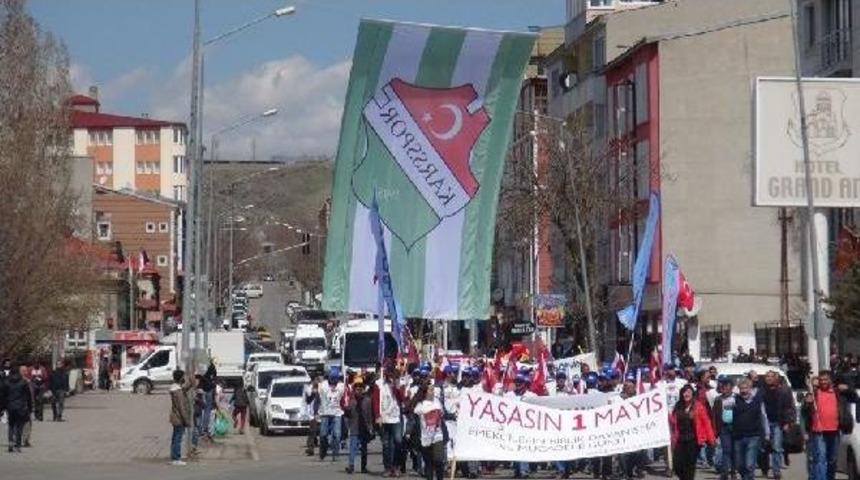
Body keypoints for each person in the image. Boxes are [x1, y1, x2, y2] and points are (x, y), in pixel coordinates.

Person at [803, 370, 859, 480]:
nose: (823, 382)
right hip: (818, 431)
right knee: (821, 459)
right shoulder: (814, 393)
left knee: (832, 459)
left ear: (830, 380)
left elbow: (855, 398)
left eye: (825, 379)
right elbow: (805, 411)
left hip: (834, 431)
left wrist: (848, 389)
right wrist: (807, 402)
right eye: (821, 380)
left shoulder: (838, 393)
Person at [669, 384, 715, 480]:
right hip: (679, 439)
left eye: (689, 392)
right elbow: (673, 421)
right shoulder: (678, 405)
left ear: (692, 394)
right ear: (681, 394)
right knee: (677, 465)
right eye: (685, 392)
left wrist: (711, 439)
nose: (686, 394)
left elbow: (706, 422)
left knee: (689, 465)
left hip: (693, 440)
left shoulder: (698, 406)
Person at [731, 379, 769, 480]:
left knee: (749, 464)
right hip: (738, 436)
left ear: (750, 389)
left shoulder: (757, 401)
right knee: (739, 465)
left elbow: (764, 417)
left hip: (753, 436)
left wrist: (767, 433)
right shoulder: (735, 400)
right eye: (741, 388)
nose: (743, 391)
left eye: (746, 388)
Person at [761, 370, 796, 480]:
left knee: (776, 447)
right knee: (763, 448)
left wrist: (787, 422)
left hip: (778, 422)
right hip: (764, 422)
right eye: (767, 376)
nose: (769, 378)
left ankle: (776, 471)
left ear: (776, 378)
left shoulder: (784, 390)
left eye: (771, 376)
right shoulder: (761, 391)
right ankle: (765, 468)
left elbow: (789, 407)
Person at [411, 375, 447, 480]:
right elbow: (411, 409)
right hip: (425, 437)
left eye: (433, 390)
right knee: (429, 463)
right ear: (425, 392)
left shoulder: (437, 402)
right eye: (430, 390)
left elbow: (443, 413)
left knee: (439, 461)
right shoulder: (420, 405)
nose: (433, 392)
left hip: (438, 436)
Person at [373, 364, 404, 476]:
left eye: (392, 374)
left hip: (396, 417)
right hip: (384, 418)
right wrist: (377, 415)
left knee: (398, 441)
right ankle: (387, 467)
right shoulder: (378, 385)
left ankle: (396, 466)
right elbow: (376, 401)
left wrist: (396, 387)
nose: (390, 377)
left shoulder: (398, 383)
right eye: (388, 374)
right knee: (386, 444)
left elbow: (402, 399)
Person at [345, 377, 373, 474]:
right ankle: (351, 465)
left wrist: (371, 428)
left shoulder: (367, 400)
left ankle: (363, 467)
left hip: (364, 428)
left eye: (361, 388)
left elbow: (370, 416)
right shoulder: (351, 401)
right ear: (354, 389)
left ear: (363, 389)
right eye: (357, 388)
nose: (359, 390)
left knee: (364, 450)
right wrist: (347, 409)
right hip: (354, 428)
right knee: (353, 448)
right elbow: (347, 414)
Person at [2, 366, 32, 453]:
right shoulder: (23, 382)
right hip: (21, 407)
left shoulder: (6, 382)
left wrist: (3, 408)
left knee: (11, 425)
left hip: (10, 407)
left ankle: (11, 442)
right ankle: (18, 445)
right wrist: (29, 408)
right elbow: (28, 396)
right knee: (19, 426)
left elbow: (3, 396)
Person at [168, 369, 194, 466]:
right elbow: (181, 407)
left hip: (176, 417)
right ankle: (176, 458)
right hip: (179, 418)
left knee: (176, 437)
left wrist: (191, 382)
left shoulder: (177, 389)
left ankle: (175, 455)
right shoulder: (177, 392)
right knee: (177, 438)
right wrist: (187, 421)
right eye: (183, 377)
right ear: (180, 378)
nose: (184, 378)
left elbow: (185, 388)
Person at [712, 377, 736, 480]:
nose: (724, 388)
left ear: (731, 387)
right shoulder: (718, 399)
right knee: (726, 450)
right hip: (723, 428)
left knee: (734, 451)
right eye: (723, 386)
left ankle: (733, 471)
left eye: (727, 385)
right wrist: (715, 429)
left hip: (735, 427)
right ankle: (725, 473)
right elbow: (714, 415)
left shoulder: (736, 398)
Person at [319, 368, 345, 461]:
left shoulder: (342, 387)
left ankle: (335, 452)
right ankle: (323, 450)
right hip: (325, 413)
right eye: (332, 379)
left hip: (337, 413)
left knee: (337, 434)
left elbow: (345, 398)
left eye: (335, 379)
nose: (334, 381)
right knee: (323, 434)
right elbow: (318, 398)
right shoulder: (323, 386)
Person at [304, 376, 322, 456]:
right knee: (312, 431)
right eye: (317, 380)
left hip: (322, 413)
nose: (317, 382)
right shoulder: (309, 389)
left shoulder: (324, 389)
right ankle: (310, 448)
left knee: (322, 432)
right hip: (313, 414)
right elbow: (308, 401)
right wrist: (313, 393)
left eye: (319, 381)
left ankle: (323, 448)